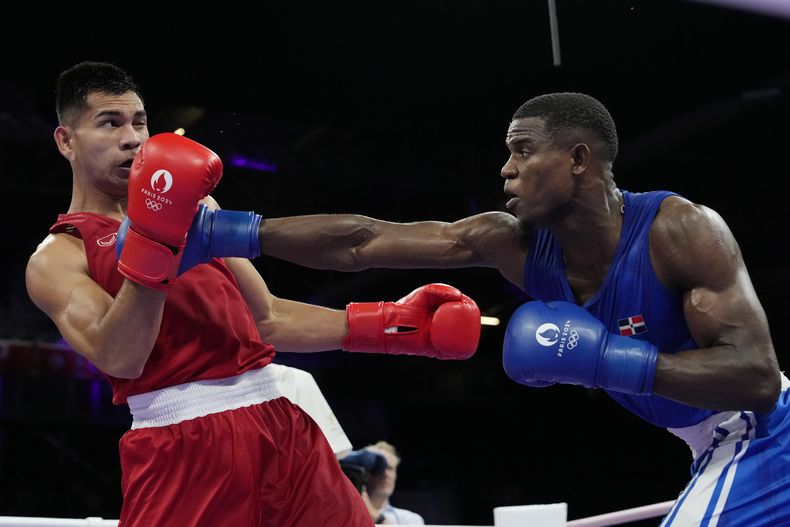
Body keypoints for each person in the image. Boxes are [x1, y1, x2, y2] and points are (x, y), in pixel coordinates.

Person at [191, 92, 790, 525]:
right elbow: (365, 241)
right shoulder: (514, 244)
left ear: (578, 160)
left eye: (523, 151)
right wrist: (233, 232)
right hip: (706, 443)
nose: (506, 169)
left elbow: (758, 379)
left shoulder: (678, 229)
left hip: (763, 433)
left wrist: (610, 360)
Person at [24, 61, 482, 527]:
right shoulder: (59, 258)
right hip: (184, 444)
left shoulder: (196, 209)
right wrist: (152, 248)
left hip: (280, 422)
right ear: (66, 141)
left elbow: (267, 318)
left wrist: (391, 326)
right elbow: (120, 358)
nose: (133, 139)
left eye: (139, 122)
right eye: (109, 123)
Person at [361, 441, 425, 525]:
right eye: (380, 467)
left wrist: (376, 517)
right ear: (364, 473)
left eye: (390, 468)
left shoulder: (410, 519)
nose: (385, 474)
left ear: (396, 475)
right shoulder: (346, 513)